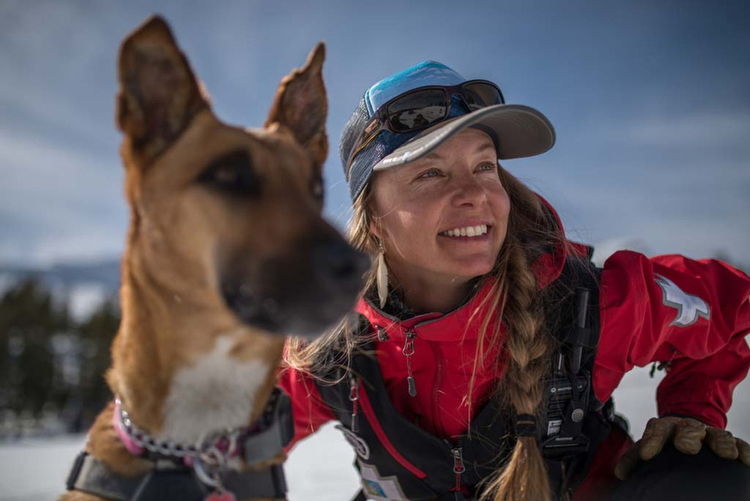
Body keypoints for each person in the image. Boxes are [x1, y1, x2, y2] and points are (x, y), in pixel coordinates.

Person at [278, 60, 750, 501]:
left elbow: (731, 309)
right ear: (374, 218)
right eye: (430, 172)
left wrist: (691, 409)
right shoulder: (329, 353)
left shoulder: (586, 303)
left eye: (484, 165)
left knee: (707, 477)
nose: (474, 194)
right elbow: (228, 438)